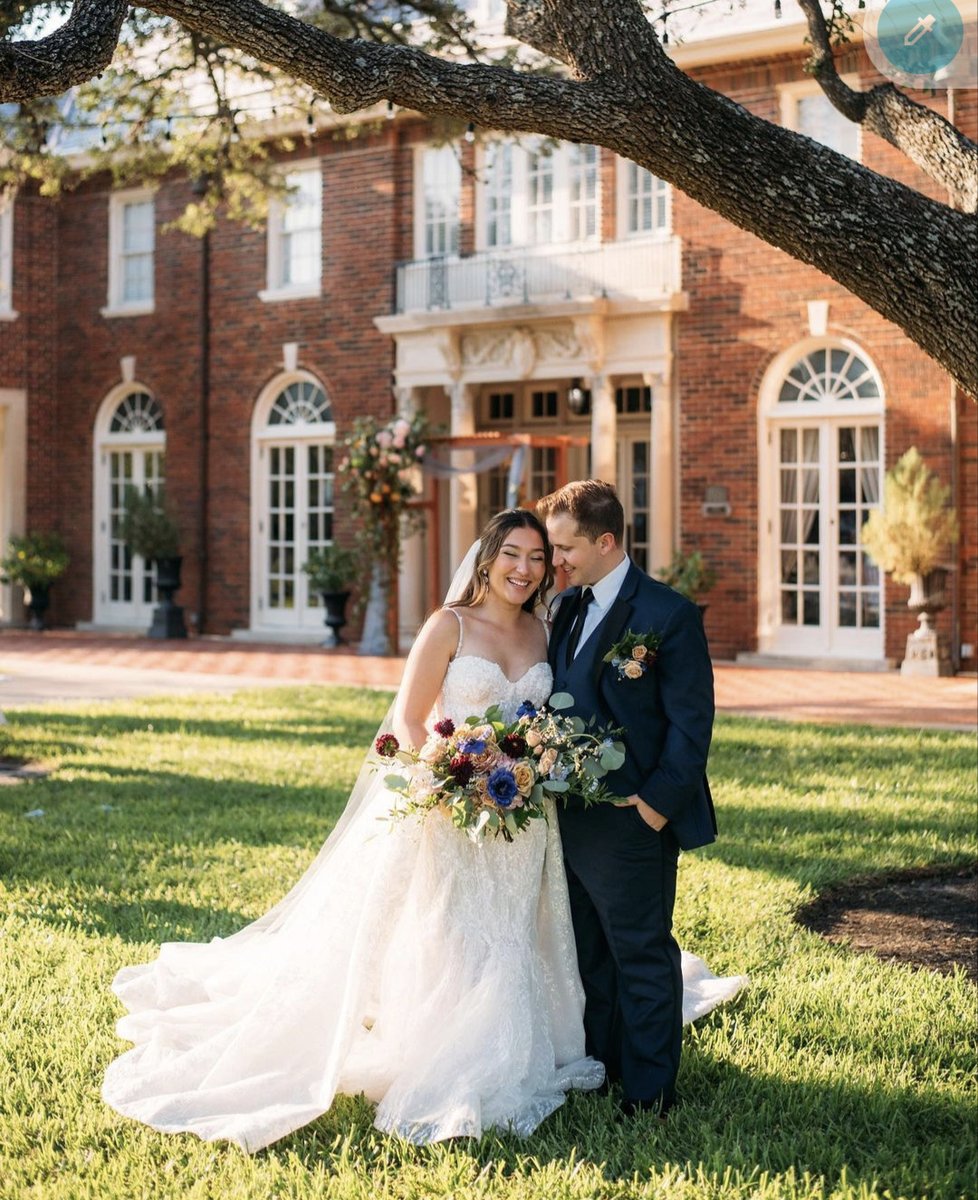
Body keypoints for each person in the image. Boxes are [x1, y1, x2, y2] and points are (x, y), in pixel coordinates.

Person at [102, 507, 742, 1151]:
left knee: (531, 933)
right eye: (515, 555)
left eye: (541, 556)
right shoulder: (448, 626)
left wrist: (544, 775)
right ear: (487, 558)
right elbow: (407, 723)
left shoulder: (550, 625)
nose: (528, 568)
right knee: (455, 932)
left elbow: (579, 721)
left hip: (531, 820)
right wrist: (450, 773)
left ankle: (601, 1058)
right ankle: (449, 1042)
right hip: (455, 812)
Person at [538, 480, 733, 1117]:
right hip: (570, 817)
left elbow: (690, 726)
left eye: (565, 547)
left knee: (641, 953)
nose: (555, 559)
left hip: (632, 820)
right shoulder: (565, 609)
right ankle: (606, 1064)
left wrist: (652, 809)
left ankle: (649, 1094)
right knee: (592, 954)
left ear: (606, 541)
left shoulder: (667, 614)